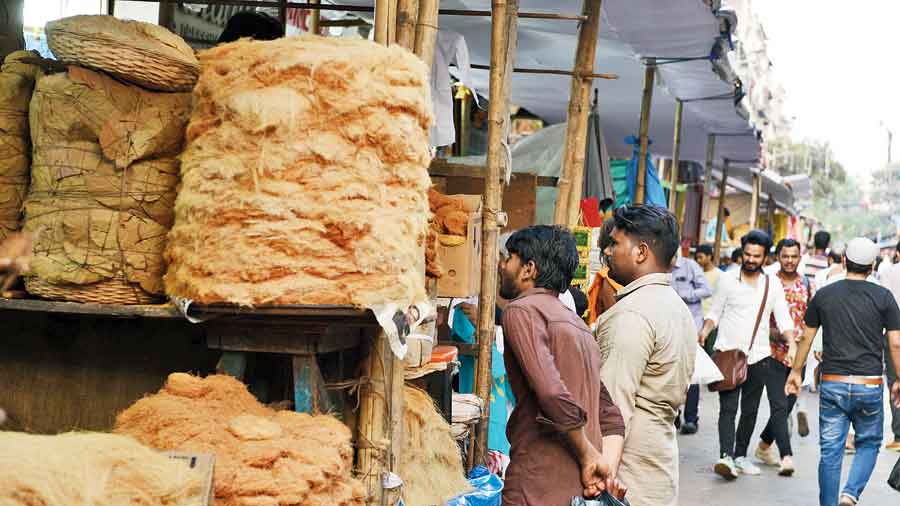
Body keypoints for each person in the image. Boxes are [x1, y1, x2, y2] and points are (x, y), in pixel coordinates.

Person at [499, 226, 626, 505]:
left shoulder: (522, 310)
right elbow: (610, 415)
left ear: (528, 269)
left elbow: (552, 393)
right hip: (576, 490)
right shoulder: (578, 326)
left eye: (509, 257)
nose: (502, 265)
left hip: (536, 483)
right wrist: (602, 466)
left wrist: (587, 454)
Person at [786, 237, 900, 506]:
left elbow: (806, 337)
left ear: (845, 261)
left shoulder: (824, 294)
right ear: (872, 266)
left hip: (833, 382)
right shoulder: (884, 297)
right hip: (869, 383)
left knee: (830, 452)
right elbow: (895, 342)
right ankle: (850, 494)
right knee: (870, 443)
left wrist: (795, 371)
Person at [595, 205, 696, 506]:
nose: (608, 251)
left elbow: (612, 408)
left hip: (628, 474)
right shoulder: (677, 308)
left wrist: (602, 479)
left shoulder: (632, 314)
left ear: (640, 252)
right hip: (658, 465)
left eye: (614, 243)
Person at [699, 230, 796, 480]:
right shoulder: (728, 280)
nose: (751, 259)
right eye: (747, 254)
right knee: (728, 408)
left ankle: (740, 455)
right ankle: (725, 456)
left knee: (750, 409)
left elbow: (783, 316)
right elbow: (715, 312)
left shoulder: (771, 283)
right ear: (742, 253)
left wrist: (791, 343)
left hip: (759, 355)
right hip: (728, 352)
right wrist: (705, 329)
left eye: (757, 256)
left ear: (765, 258)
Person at [754, 239, 811, 476]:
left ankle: (763, 446)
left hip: (799, 357)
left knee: (786, 406)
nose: (789, 260)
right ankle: (786, 456)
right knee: (778, 404)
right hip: (773, 353)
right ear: (778, 257)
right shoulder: (768, 282)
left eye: (793, 256)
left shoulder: (807, 283)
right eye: (785, 256)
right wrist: (777, 334)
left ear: (800, 257)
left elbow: (812, 318)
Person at [672, 251, 713, 435]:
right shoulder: (660, 265)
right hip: (670, 326)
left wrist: (686, 294)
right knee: (671, 373)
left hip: (692, 327)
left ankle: (691, 418)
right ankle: (674, 415)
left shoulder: (690, 266)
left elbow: (707, 290)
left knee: (693, 375)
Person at [880, 240, 900, 452]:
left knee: (895, 381)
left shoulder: (889, 271)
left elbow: (883, 303)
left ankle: (899, 435)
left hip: (895, 331)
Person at [696, 244, 722, 356]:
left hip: (712, 321)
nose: (698, 260)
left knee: (710, 352)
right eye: (697, 258)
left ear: (709, 257)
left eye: (700, 257)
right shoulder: (697, 274)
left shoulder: (720, 275)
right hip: (698, 318)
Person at [217, 11, 285, 44]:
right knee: (226, 42)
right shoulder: (265, 25)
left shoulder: (267, 21)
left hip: (238, 19)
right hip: (239, 22)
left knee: (227, 39)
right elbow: (258, 40)